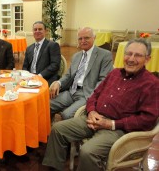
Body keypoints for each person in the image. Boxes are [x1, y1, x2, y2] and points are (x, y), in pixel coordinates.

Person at [42, 38, 159, 170]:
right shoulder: (114, 73)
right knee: (58, 129)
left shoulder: (151, 84)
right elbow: (94, 94)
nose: (131, 59)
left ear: (147, 59)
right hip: (93, 118)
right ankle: (54, 167)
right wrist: (92, 111)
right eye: (129, 53)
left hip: (118, 129)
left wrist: (112, 124)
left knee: (87, 152)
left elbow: (148, 119)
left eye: (138, 55)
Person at [49, 27, 113, 120]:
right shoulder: (76, 56)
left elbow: (104, 81)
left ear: (94, 38)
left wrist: (92, 98)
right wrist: (58, 83)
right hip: (71, 91)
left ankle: (62, 131)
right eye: (80, 38)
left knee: (66, 115)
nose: (83, 41)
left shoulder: (104, 55)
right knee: (46, 105)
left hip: (86, 94)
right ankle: (46, 130)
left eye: (86, 38)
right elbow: (68, 75)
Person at [22, 21, 61, 85]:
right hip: (29, 79)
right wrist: (26, 75)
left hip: (45, 79)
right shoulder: (29, 48)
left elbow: (55, 65)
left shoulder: (52, 45)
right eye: (35, 29)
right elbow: (25, 66)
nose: (37, 31)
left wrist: (40, 75)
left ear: (45, 31)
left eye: (40, 29)